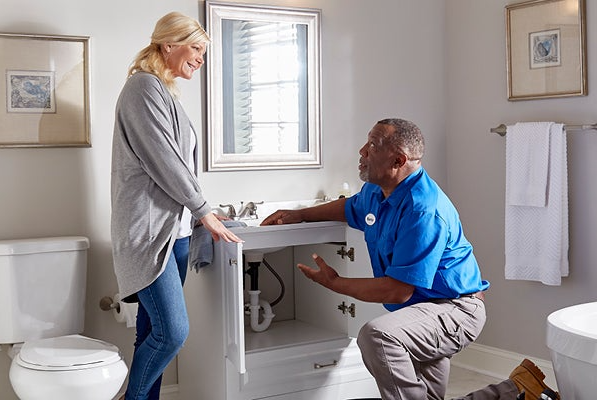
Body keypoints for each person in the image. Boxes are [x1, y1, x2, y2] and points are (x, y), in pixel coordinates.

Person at [261, 118, 488, 400]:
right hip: (422, 310)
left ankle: (511, 389)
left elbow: (397, 290)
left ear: (398, 159)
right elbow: (349, 207)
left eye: (372, 145)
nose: (362, 151)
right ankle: (516, 389)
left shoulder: (423, 209)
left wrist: (334, 283)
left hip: (454, 310)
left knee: (378, 336)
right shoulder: (377, 192)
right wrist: (300, 214)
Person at [110, 12, 242, 400]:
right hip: (150, 235)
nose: (201, 58)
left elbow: (178, 167)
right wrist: (204, 210)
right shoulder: (143, 89)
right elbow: (164, 161)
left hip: (175, 234)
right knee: (173, 332)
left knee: (151, 332)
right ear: (168, 44)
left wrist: (204, 213)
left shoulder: (165, 93)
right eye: (196, 48)